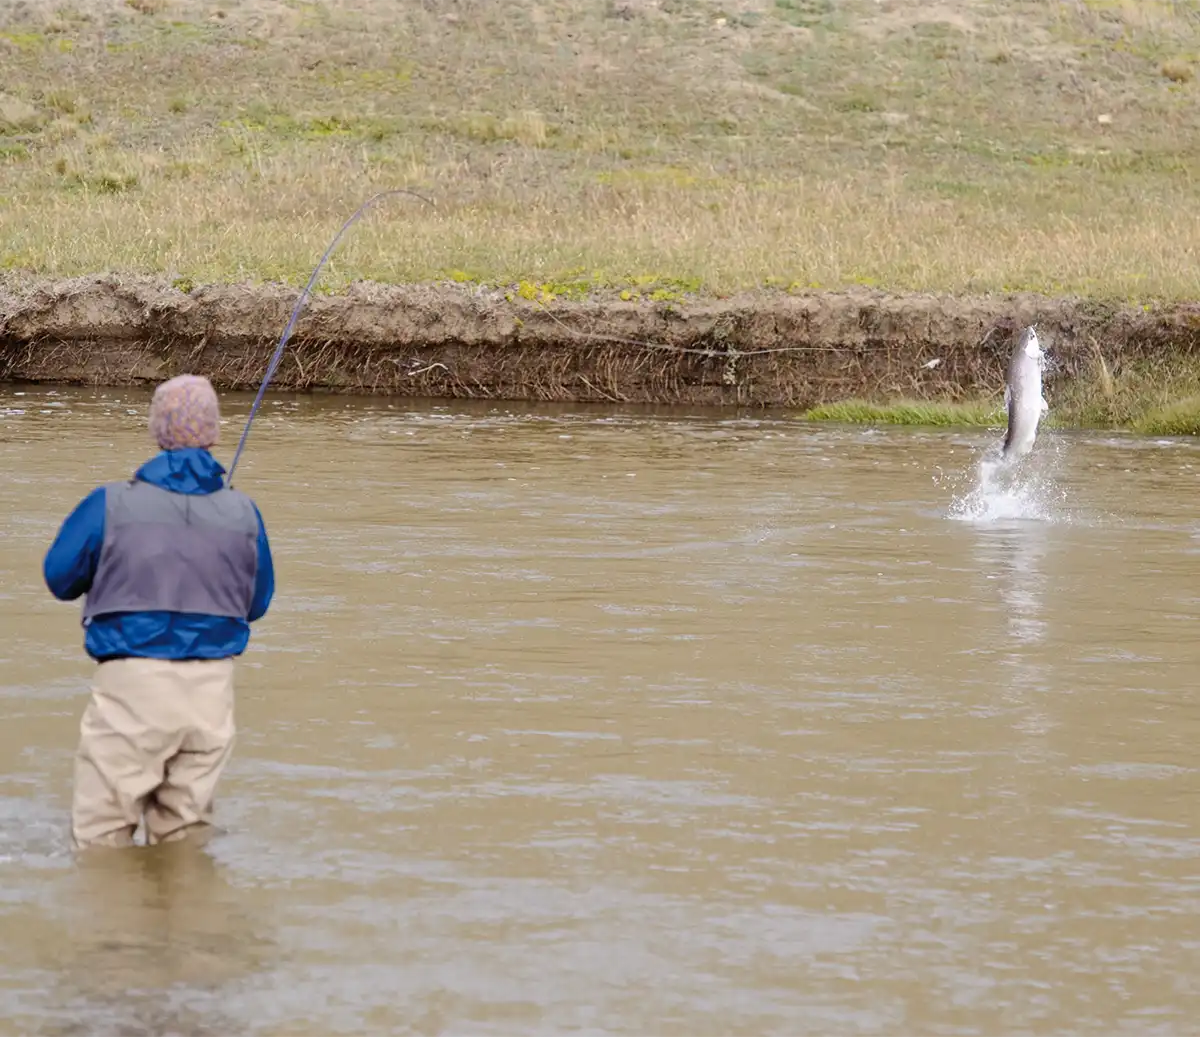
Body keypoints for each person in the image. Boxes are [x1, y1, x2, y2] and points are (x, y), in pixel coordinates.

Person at [43, 373, 275, 850]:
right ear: (213, 432)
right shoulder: (244, 513)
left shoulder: (109, 503)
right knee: (186, 841)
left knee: (101, 839)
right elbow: (256, 604)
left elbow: (59, 578)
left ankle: (122, 925)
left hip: (132, 687)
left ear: (156, 430)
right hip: (211, 695)